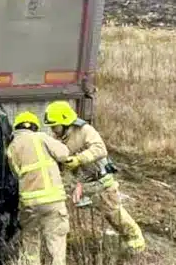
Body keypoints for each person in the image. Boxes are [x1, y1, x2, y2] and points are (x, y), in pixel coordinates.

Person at [43, 100, 146, 253]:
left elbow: (100, 149)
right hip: (81, 183)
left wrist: (79, 159)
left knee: (113, 213)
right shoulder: (59, 138)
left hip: (100, 180)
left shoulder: (85, 130)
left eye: (55, 126)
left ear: (65, 122)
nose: (53, 130)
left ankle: (135, 241)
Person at [6, 110, 73, 265]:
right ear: (34, 126)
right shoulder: (41, 137)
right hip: (52, 200)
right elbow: (64, 154)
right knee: (56, 237)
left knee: (30, 238)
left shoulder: (11, 148)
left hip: (28, 202)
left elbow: (15, 173)